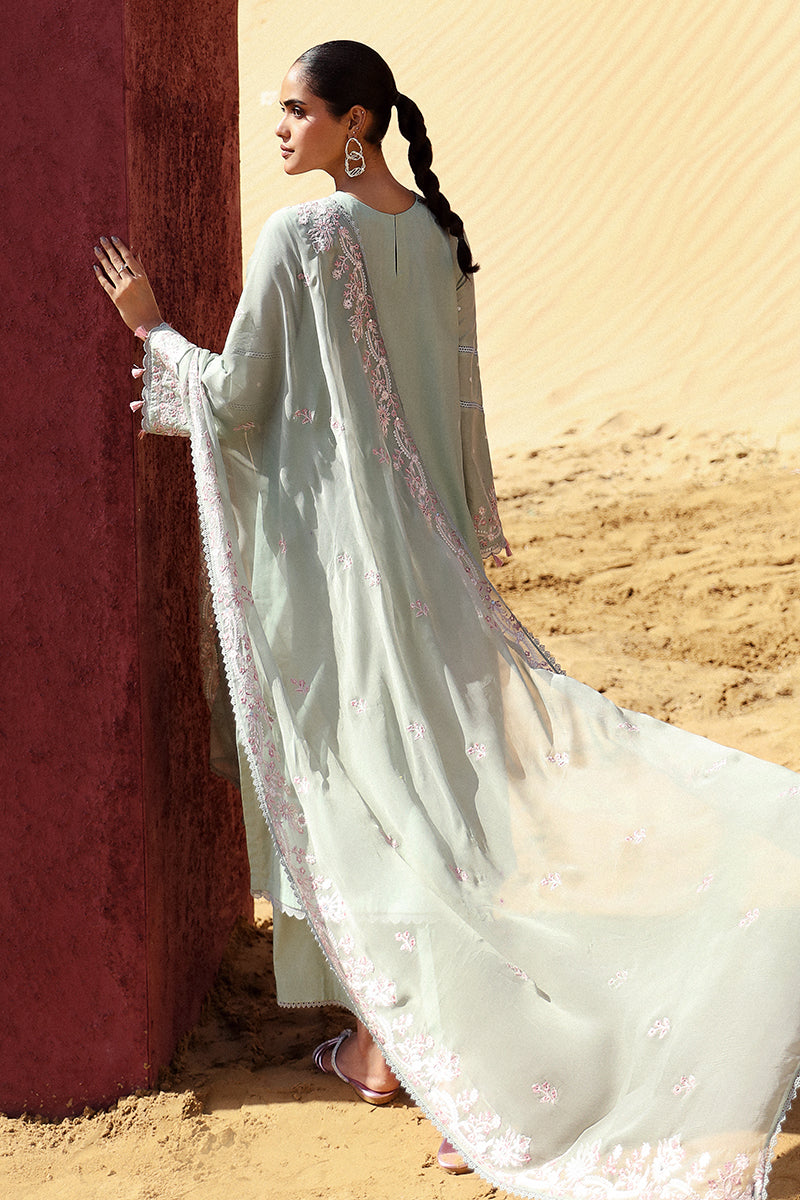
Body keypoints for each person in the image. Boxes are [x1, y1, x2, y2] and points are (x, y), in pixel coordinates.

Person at [94, 39, 800, 1199]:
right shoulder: (436, 237)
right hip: (436, 578)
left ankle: (420, 1061)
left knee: (367, 794)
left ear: (355, 125)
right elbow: (454, 416)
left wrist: (151, 329)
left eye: (296, 111)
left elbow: (233, 398)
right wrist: (461, 547)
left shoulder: (298, 238)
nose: (279, 129)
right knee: (442, 796)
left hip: (339, 586)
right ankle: (396, 1047)